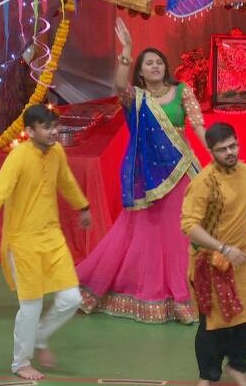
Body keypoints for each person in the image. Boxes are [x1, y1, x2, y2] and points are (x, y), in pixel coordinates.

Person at [75, 18, 206, 324]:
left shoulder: (182, 91)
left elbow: (197, 124)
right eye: (148, 63)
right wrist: (128, 49)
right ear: (141, 71)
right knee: (149, 233)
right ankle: (151, 291)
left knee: (183, 231)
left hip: (181, 170)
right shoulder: (135, 96)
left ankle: (188, 292)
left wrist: (213, 151)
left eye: (159, 62)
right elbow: (120, 84)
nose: (155, 66)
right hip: (147, 177)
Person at [0, 104, 92, 380]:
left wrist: (83, 206)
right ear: (30, 131)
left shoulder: (56, 152)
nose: (54, 131)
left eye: (54, 125)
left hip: (52, 237)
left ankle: (40, 338)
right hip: (22, 243)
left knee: (71, 298)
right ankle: (21, 362)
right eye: (47, 127)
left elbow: (65, 181)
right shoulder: (18, 157)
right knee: (31, 305)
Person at [181, 122, 246, 386]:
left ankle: (237, 364)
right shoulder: (205, 182)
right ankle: (208, 376)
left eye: (233, 145)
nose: (230, 152)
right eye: (222, 149)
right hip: (211, 261)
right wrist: (223, 248)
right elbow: (189, 226)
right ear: (211, 151)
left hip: (243, 256)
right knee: (213, 324)